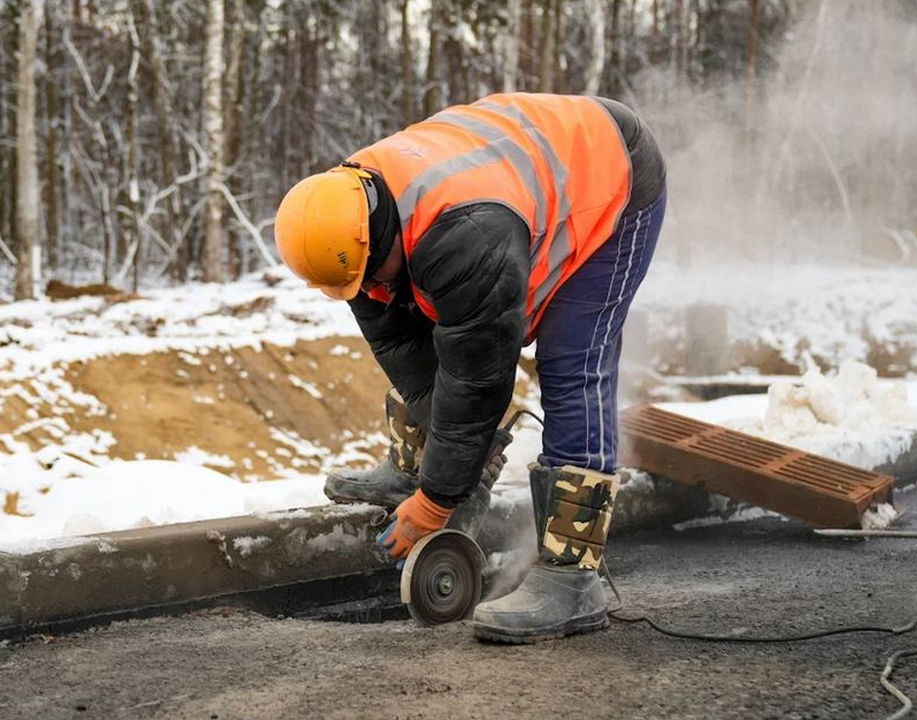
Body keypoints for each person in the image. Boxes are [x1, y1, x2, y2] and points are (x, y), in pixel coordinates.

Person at [274, 93, 666, 643]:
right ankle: (417, 467)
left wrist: (435, 504)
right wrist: (447, 469)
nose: (364, 294)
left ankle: (573, 579)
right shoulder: (344, 218)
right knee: (415, 311)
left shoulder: (464, 235)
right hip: (516, 180)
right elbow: (405, 350)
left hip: (609, 176)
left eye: (367, 278)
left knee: (571, 361)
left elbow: (478, 377)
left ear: (377, 236)